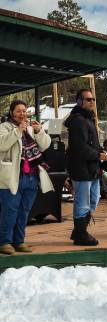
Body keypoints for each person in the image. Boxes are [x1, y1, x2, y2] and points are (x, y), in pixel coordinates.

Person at [0, 100, 52, 255]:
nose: (22, 114)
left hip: (31, 176)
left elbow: (45, 145)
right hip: (12, 177)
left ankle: (19, 241)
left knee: (24, 211)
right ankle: (4, 242)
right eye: (18, 111)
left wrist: (39, 131)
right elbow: (2, 145)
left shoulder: (30, 128)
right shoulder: (4, 127)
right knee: (10, 210)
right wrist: (17, 131)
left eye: (24, 111)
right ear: (11, 113)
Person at [64, 89, 107, 246]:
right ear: (79, 102)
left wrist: (100, 151)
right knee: (82, 203)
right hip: (81, 169)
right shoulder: (78, 121)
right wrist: (98, 156)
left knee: (94, 199)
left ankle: (79, 231)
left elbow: (90, 144)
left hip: (91, 169)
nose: (92, 102)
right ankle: (81, 233)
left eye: (93, 99)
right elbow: (79, 147)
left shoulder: (88, 119)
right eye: (88, 99)